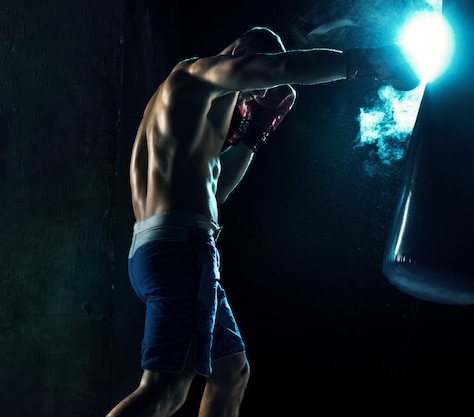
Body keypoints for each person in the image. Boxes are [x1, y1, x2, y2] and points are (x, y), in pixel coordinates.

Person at [106, 26, 419, 417]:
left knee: (231, 374)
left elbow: (213, 191)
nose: (252, 95)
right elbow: (282, 67)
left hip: (168, 249)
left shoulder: (186, 108)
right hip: (181, 251)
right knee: (164, 390)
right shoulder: (199, 74)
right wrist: (370, 61)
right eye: (253, 83)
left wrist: (253, 136)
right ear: (239, 53)